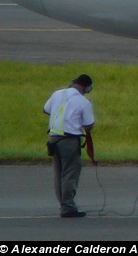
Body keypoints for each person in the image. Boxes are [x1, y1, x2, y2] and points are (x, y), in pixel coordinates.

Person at [43, 74, 97, 218]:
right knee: (69, 174)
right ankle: (67, 206)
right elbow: (88, 125)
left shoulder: (57, 94)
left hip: (53, 139)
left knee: (58, 174)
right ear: (86, 87)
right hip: (69, 140)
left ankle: (63, 204)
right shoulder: (83, 101)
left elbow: (46, 109)